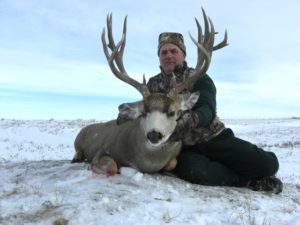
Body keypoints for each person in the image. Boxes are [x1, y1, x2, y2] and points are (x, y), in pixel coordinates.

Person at [146, 32, 283, 194]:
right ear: (159, 57)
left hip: (213, 137)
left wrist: (191, 120)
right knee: (196, 171)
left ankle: (259, 171)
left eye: (173, 51)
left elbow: (207, 108)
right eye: (164, 52)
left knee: (268, 164)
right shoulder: (152, 85)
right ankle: (249, 181)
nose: (168, 55)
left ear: (183, 54)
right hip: (182, 147)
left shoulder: (199, 77)